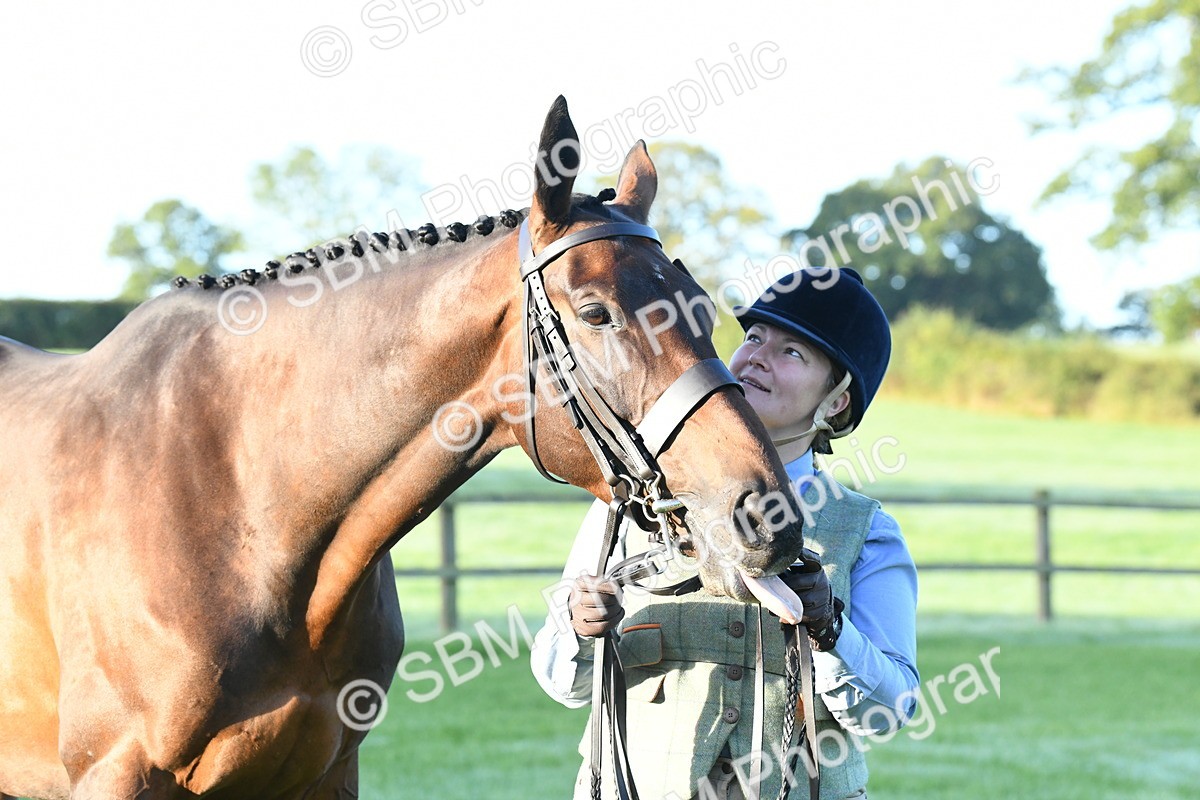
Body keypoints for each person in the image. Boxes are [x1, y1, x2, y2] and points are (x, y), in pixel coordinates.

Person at [530, 267, 919, 800]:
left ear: (836, 403)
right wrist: (579, 627)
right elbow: (560, 682)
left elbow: (891, 712)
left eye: (792, 353)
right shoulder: (628, 503)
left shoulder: (868, 533)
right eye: (754, 337)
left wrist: (832, 632)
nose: (756, 355)